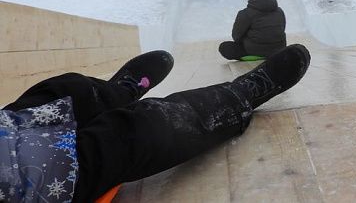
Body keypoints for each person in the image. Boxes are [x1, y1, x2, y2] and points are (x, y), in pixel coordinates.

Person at [1, 44, 310, 202]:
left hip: (7, 133)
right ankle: (239, 97)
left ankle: (117, 92)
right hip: (29, 186)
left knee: (68, 90)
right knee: (136, 131)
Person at [219, 0, 287, 60]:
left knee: (224, 47)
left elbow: (236, 36)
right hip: (278, 50)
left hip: (254, 51)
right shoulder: (279, 11)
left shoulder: (246, 13)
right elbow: (281, 28)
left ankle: (253, 56)